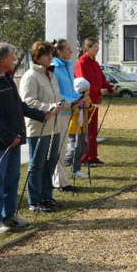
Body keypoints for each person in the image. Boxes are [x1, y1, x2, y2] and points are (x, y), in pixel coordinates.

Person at [0, 43, 53, 233]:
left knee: (12, 179)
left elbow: (19, 106)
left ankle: (9, 216)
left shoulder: (8, 78)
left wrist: (42, 115)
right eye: (12, 57)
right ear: (2, 59)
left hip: (14, 140)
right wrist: (8, 136)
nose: (15, 59)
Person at [20, 41, 69, 213]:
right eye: (46, 55)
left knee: (51, 162)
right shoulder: (30, 76)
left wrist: (71, 103)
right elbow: (28, 102)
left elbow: (58, 97)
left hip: (55, 126)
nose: (50, 57)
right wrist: (49, 107)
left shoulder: (51, 75)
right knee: (37, 164)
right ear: (37, 57)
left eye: (51, 54)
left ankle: (47, 196)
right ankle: (35, 201)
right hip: (38, 127)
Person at [74, 38, 117, 166]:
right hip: (86, 101)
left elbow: (102, 79)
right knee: (85, 130)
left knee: (93, 130)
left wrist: (111, 87)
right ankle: (84, 158)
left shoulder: (95, 63)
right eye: (95, 47)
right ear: (87, 48)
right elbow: (82, 83)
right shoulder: (82, 63)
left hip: (95, 101)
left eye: (98, 47)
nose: (97, 49)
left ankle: (92, 156)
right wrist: (98, 91)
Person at [51, 39, 85, 192]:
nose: (71, 52)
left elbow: (71, 90)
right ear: (59, 51)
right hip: (60, 112)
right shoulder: (55, 68)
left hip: (69, 110)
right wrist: (73, 101)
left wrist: (79, 98)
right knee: (59, 148)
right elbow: (57, 93)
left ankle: (62, 180)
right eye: (68, 49)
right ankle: (59, 182)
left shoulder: (68, 67)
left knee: (63, 147)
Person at [67, 77, 93, 180]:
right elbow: (70, 110)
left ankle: (76, 170)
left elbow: (90, 107)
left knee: (81, 149)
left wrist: (87, 105)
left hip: (83, 127)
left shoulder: (87, 97)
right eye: (85, 91)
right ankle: (64, 164)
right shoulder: (72, 97)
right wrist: (78, 106)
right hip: (73, 128)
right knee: (74, 149)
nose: (87, 93)